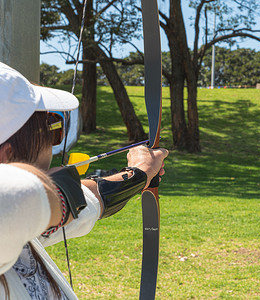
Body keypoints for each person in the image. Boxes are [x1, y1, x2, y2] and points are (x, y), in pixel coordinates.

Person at [0, 62, 169, 299]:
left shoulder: (22, 225)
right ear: (7, 155)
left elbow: (88, 202)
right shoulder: (13, 211)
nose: (54, 143)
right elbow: (24, 197)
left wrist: (138, 174)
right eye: (50, 130)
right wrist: (56, 189)